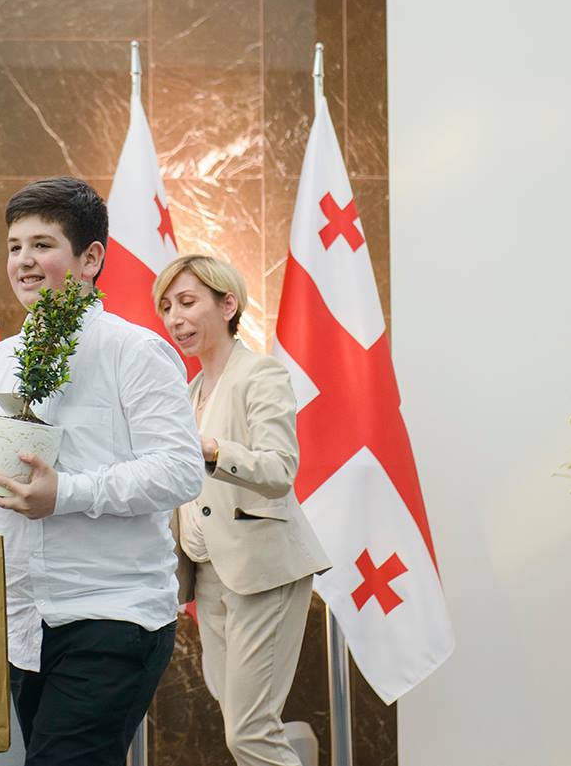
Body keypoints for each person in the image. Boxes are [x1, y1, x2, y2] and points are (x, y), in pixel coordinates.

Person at [0, 177, 203, 766]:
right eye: (14, 247)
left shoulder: (134, 352)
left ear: (90, 258)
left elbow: (180, 471)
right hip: (22, 622)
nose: (23, 261)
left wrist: (65, 493)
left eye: (42, 245)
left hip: (112, 614)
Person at [153, 254, 330, 766]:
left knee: (249, 733)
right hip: (207, 573)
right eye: (167, 307)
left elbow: (279, 469)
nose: (175, 318)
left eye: (187, 302)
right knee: (244, 725)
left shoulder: (261, 373)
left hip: (261, 567)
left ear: (228, 304)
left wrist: (212, 450)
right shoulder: (186, 392)